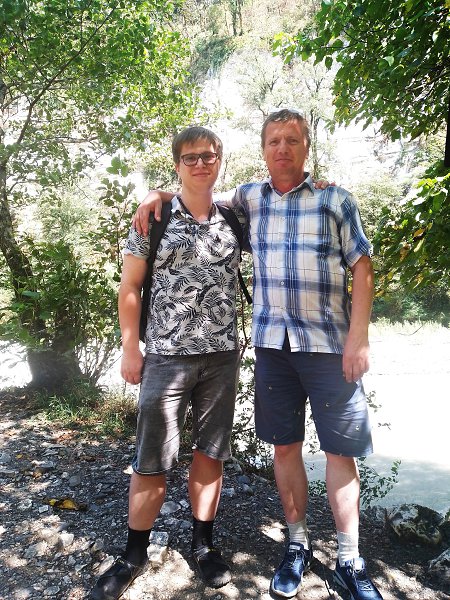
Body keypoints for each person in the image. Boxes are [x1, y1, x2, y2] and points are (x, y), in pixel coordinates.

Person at [133, 109, 383, 600]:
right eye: (274, 141)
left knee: (341, 453)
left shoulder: (335, 200)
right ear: (263, 149)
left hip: (330, 347)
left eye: (292, 140)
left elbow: (362, 266)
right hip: (273, 349)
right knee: (284, 448)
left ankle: (350, 560)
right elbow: (196, 194)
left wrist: (359, 339)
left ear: (307, 146)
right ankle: (296, 545)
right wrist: (155, 195)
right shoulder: (248, 199)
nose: (282, 148)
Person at [90, 126, 248, 600]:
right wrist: (130, 348)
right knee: (151, 459)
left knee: (211, 453)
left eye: (209, 156)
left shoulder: (234, 216)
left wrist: (317, 183)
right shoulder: (153, 219)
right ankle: (133, 555)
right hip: (165, 357)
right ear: (177, 164)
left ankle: (204, 546)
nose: (201, 163)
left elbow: (280, 200)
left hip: (221, 358)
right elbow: (130, 287)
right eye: (190, 157)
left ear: (220, 161)